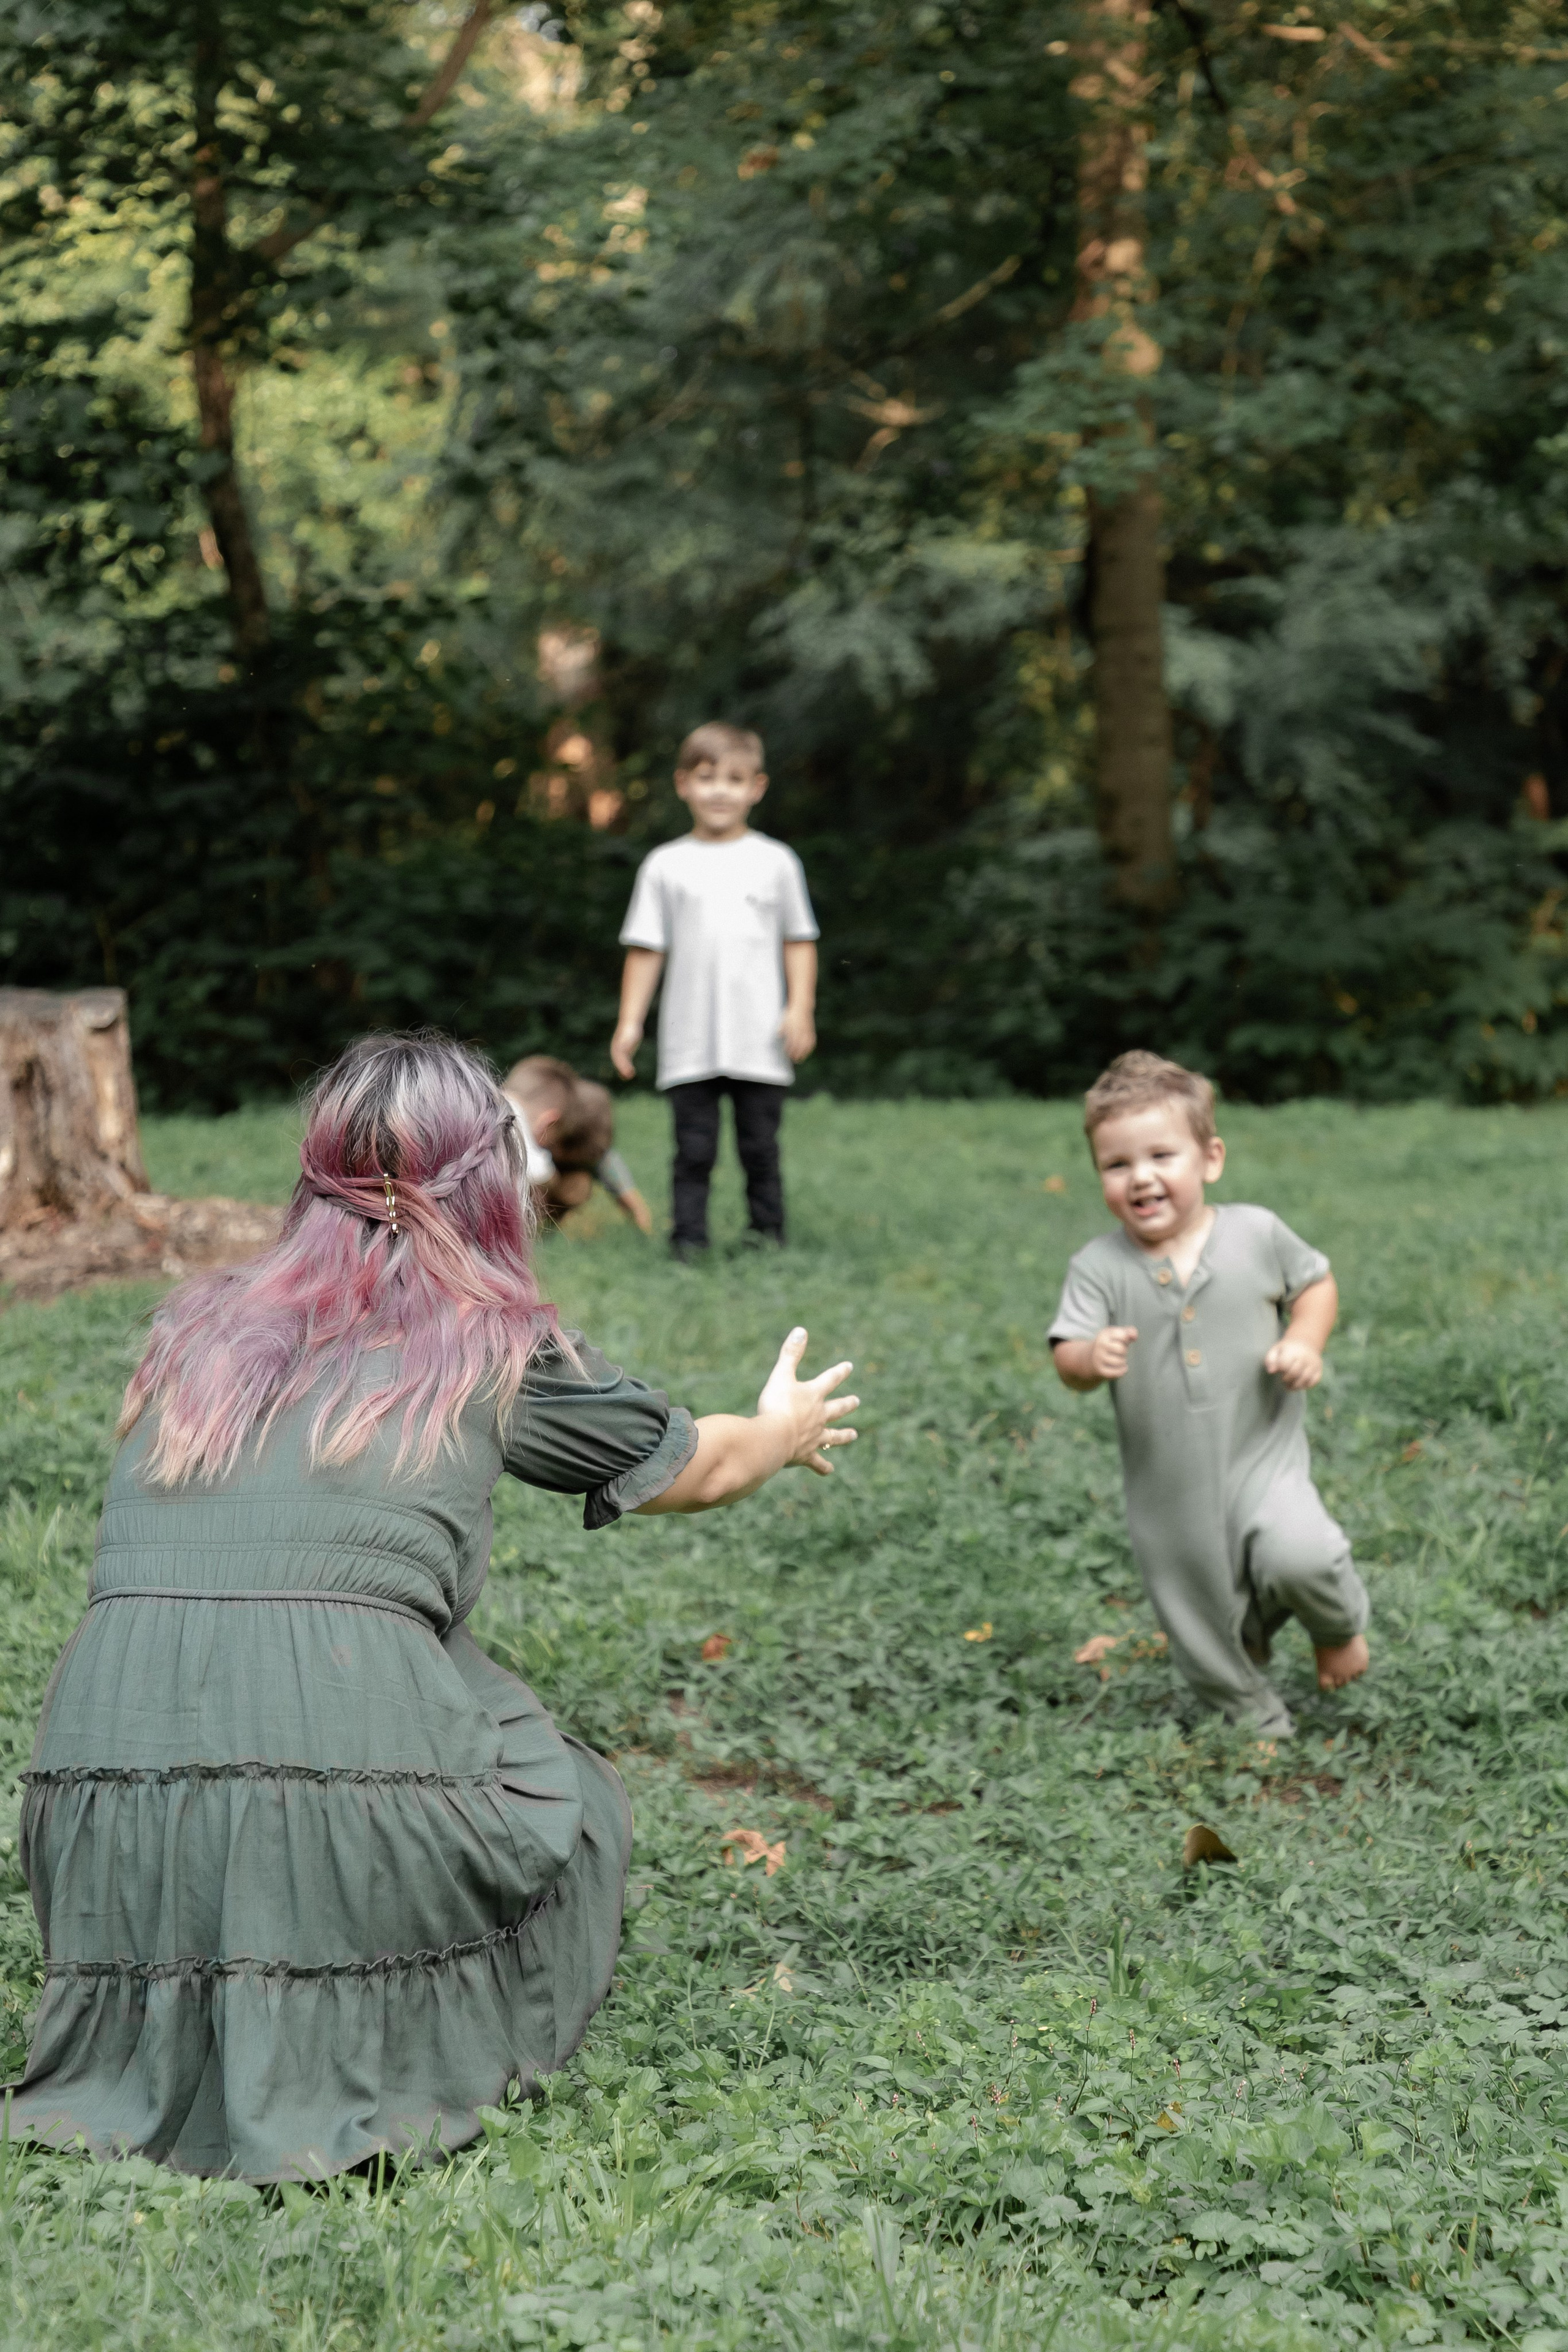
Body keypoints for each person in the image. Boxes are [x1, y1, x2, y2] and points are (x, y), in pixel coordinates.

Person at [9, 1032, 857, 2182]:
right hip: (314, 1754)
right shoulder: (493, 1342)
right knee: (561, 1788)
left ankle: (169, 2005)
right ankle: (346, 2015)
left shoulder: (193, 1326)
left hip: (96, 1776)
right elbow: (702, 1468)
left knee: (414, 1664)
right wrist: (785, 1427)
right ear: (487, 1179)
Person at [1048, 1050, 1370, 1740]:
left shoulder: (1255, 1233)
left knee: (1302, 1553)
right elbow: (1066, 1357)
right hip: (1168, 1486)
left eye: (1161, 1156)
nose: (1141, 1177)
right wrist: (1089, 1357)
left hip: (1262, 1456)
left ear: (1210, 1159)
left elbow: (1315, 1285)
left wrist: (1304, 1340)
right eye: (1116, 1164)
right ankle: (1252, 1715)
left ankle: (1337, 1629)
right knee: (1196, 1610)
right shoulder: (1098, 1267)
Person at [610, 722, 818, 1260]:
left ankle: (766, 1238)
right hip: (691, 1039)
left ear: (757, 788)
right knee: (694, 1148)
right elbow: (646, 949)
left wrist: (800, 1008)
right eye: (707, 778)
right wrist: (630, 1023)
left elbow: (799, 941)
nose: (720, 791)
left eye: (734, 779)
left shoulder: (777, 862)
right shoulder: (665, 865)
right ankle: (688, 1243)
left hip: (761, 1039)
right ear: (683, 784)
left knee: (760, 1147)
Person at [502, 1053, 654, 1234]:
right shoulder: (528, 1119)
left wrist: (641, 1220)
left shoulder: (591, 1143)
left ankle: (541, 1226)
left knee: (578, 1186)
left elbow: (623, 1188)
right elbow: (541, 1172)